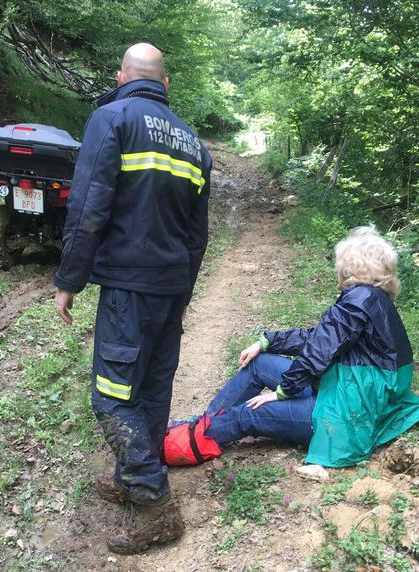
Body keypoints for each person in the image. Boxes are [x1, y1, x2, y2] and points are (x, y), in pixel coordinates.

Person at [54, 43, 212, 554]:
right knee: (149, 391)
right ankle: (131, 474)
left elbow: (89, 204)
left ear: (122, 77)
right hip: (169, 288)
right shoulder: (194, 143)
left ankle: (154, 502)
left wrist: (69, 279)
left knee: (111, 395)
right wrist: (184, 293)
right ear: (165, 85)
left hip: (129, 287)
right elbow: (196, 235)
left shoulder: (112, 117)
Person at [164, 226, 419, 472]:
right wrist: (268, 342)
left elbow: (319, 350)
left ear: (352, 266)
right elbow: (320, 338)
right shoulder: (370, 299)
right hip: (344, 392)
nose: (338, 268)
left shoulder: (358, 300)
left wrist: (283, 391)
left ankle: (180, 444)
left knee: (250, 413)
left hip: (344, 414)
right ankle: (203, 424)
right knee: (259, 364)